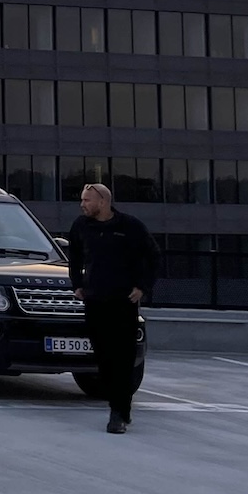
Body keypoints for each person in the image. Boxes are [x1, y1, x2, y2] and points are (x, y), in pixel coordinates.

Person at [65, 183, 158, 433]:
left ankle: (118, 413)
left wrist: (142, 287)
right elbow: (73, 256)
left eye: (87, 200)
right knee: (103, 358)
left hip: (123, 302)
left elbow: (152, 256)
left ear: (103, 202)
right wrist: (77, 284)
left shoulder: (130, 226)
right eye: (82, 200)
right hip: (94, 301)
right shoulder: (81, 226)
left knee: (123, 358)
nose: (82, 204)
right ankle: (117, 405)